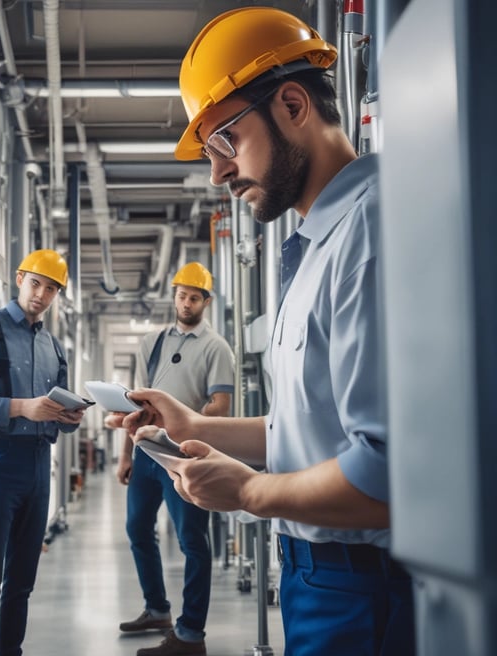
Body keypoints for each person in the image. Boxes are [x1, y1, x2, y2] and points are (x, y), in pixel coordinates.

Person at [118, 7, 415, 656]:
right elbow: (311, 433)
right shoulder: (312, 247)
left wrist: (251, 491)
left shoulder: (371, 230)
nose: (219, 173)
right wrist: (195, 429)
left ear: (291, 105)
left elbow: (391, 471)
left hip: (363, 589)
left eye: (226, 140)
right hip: (321, 578)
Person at [0, 249, 87, 656]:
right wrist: (21, 407)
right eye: (35, 283)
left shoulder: (53, 347)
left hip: (37, 463)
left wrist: (69, 417)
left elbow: (55, 413)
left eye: (51, 289)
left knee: (22, 578)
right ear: (19, 278)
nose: (41, 295)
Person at [115, 262, 234, 656]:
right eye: (181, 295)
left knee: (192, 542)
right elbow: (136, 404)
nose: (186, 303)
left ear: (206, 301)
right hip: (147, 450)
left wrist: (181, 421)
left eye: (194, 297)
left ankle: (190, 633)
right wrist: (126, 454)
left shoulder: (217, 347)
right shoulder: (152, 343)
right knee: (137, 529)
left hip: (184, 454)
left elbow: (221, 406)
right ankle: (157, 609)